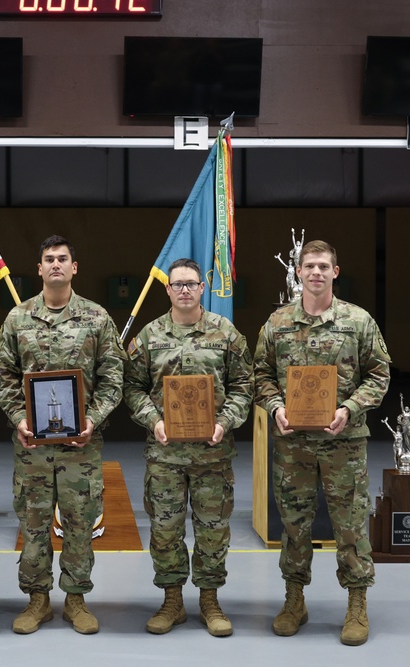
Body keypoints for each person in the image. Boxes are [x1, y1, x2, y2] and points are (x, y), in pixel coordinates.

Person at [253, 239, 391, 647]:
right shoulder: (276, 323)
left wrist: (349, 408)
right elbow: (259, 374)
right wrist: (276, 406)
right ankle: (294, 599)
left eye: (323, 266)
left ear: (335, 271)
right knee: (294, 524)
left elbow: (379, 375)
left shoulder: (358, 321)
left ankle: (357, 603)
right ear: (298, 272)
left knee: (350, 523)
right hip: (293, 444)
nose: (315, 272)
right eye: (309, 265)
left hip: (343, 442)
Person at [0, 234, 125, 635]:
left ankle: (75, 599)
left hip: (80, 448)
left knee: (79, 523)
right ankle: (37, 601)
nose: (55, 264)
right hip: (32, 448)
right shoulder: (17, 319)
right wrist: (19, 418)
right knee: (33, 524)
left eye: (62, 258)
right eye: (48, 258)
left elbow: (113, 379)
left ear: (74, 267)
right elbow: (5, 378)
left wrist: (93, 420)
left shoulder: (97, 318)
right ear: (39, 269)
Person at [124, 258, 253, 637]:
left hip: (213, 454)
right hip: (165, 455)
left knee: (212, 530)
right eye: (177, 284)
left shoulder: (225, 333)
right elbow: (131, 387)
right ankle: (172, 601)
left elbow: (245, 386)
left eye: (190, 284)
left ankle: (210, 600)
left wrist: (224, 422)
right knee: (165, 530)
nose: (184, 290)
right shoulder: (149, 336)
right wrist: (154, 421)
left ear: (202, 288)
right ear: (168, 290)